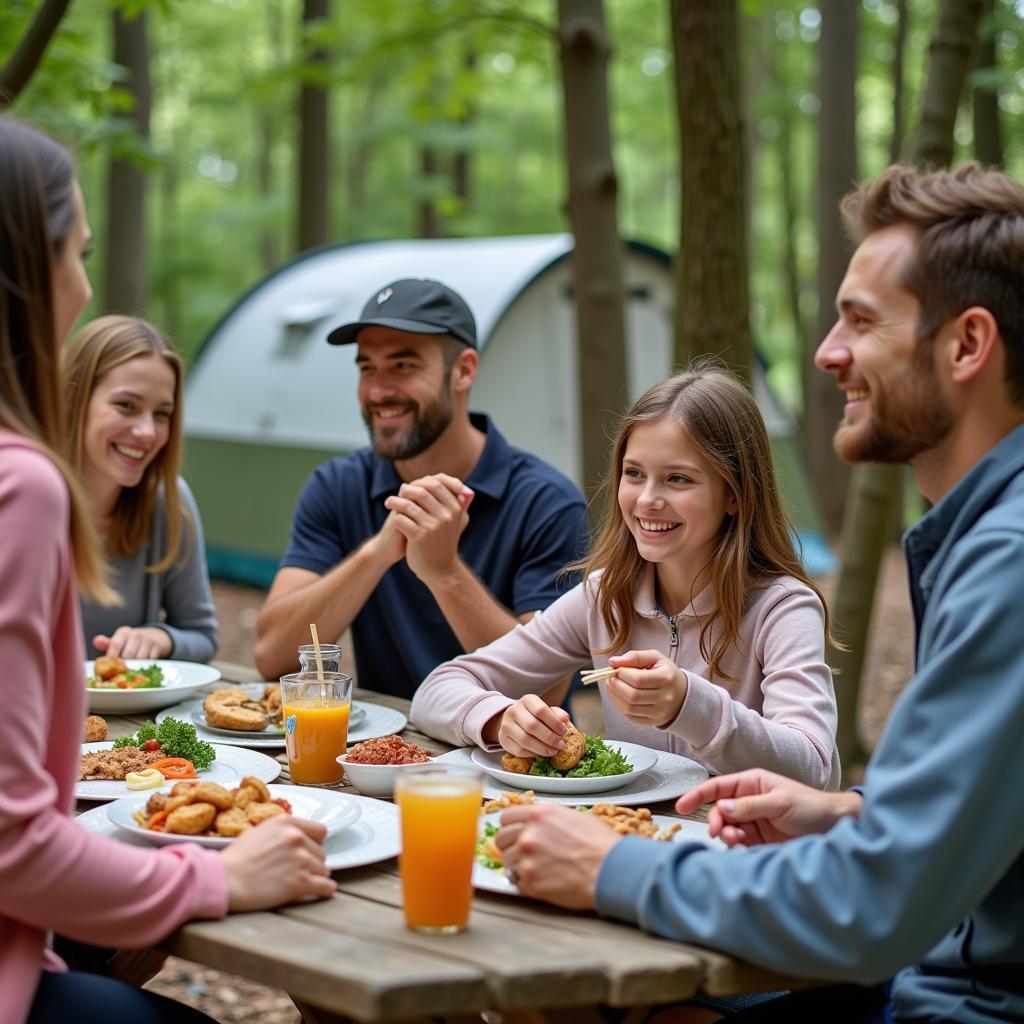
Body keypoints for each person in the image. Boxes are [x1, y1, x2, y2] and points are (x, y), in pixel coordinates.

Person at [494, 163, 1024, 1024]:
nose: (826, 353)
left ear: (967, 345)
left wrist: (610, 867)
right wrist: (847, 809)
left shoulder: (1008, 559)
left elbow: (876, 905)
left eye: (860, 321)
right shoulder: (979, 539)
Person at [0, 116, 336, 1024]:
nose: (87, 282)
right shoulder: (25, 487)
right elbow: (13, 841)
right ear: (28, 272)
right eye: (77, 253)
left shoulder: (154, 503)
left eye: (162, 414)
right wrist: (217, 874)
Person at [412, 368, 840, 788]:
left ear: (733, 494)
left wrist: (691, 705)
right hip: (629, 837)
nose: (648, 500)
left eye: (678, 479)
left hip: (739, 846)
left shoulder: (782, 609)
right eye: (634, 474)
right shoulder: (605, 595)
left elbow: (813, 766)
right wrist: (500, 719)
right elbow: (436, 690)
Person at [254, 277, 588, 698]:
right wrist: (377, 553)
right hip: (384, 752)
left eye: (403, 365)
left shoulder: (547, 502)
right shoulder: (338, 486)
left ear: (464, 370)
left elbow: (545, 693)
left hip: (505, 758)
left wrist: (444, 571)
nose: (378, 390)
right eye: (366, 367)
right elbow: (271, 655)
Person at [64, 315, 218, 662]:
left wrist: (161, 638)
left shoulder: (169, 502)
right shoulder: (22, 497)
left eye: (161, 414)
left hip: (127, 718)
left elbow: (202, 635)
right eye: (126, 406)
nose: (147, 432)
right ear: (75, 399)